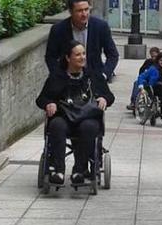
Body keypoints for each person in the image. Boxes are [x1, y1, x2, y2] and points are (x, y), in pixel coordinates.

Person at [36, 41, 115, 186]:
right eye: (78, 54)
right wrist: (49, 103)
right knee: (56, 125)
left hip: (87, 116)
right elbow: (41, 98)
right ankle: (58, 170)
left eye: (83, 54)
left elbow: (110, 96)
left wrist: (104, 98)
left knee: (89, 128)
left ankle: (80, 170)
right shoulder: (57, 77)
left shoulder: (93, 76)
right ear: (68, 58)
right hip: (64, 116)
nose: (82, 57)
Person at [45, 0, 119, 80]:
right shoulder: (58, 29)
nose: (84, 14)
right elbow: (50, 57)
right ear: (71, 12)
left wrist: (104, 75)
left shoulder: (101, 27)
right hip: (66, 79)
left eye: (86, 9)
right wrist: (58, 75)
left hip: (94, 78)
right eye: (79, 11)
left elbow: (113, 55)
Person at [126, 46, 161, 110]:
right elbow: (141, 72)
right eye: (152, 56)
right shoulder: (148, 62)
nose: (153, 58)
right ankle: (133, 102)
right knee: (137, 83)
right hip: (147, 81)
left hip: (157, 82)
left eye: (155, 56)